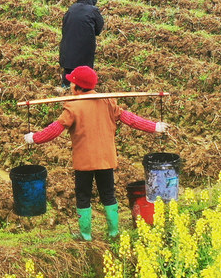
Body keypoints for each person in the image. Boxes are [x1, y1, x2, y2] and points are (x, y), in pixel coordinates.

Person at [23, 66, 167, 240]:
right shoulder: (107, 101)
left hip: (84, 163)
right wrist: (154, 127)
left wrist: (34, 138)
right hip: (106, 159)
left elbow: (55, 129)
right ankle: (114, 232)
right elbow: (130, 119)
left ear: (77, 86)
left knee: (83, 196)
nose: (70, 86)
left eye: (71, 82)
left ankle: (85, 235)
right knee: (108, 194)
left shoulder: (73, 107)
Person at [58, 0, 104, 92]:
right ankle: (83, 90)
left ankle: (65, 88)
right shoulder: (93, 10)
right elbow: (99, 27)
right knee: (83, 67)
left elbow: (65, 23)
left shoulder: (72, 8)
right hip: (85, 44)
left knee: (69, 66)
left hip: (68, 41)